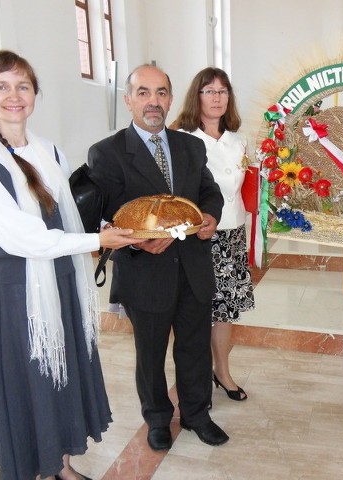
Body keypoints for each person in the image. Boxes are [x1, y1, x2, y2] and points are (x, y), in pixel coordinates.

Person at [0, 50, 144, 480]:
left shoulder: (48, 149)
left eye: (23, 86)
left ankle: (61, 467)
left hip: (61, 278)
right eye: (1, 86)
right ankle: (34, 469)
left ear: (35, 93)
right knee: (32, 383)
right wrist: (97, 240)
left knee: (61, 374)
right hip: (20, 289)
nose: (13, 96)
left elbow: (65, 214)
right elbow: (21, 236)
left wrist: (106, 225)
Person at [87, 64, 228, 450]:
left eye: (162, 92)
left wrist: (211, 216)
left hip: (193, 267)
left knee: (195, 348)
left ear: (170, 98)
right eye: (144, 92)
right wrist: (135, 242)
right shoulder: (107, 153)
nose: (154, 101)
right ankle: (157, 419)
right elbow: (105, 217)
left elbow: (208, 191)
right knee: (150, 354)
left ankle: (198, 414)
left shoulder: (190, 146)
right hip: (144, 272)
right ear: (128, 99)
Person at [172, 67, 255, 402]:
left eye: (223, 91)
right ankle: (194, 377)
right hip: (197, 237)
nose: (217, 98)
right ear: (197, 95)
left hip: (232, 235)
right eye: (209, 91)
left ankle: (222, 371)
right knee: (195, 311)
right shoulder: (181, 138)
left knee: (225, 311)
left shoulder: (239, 140)